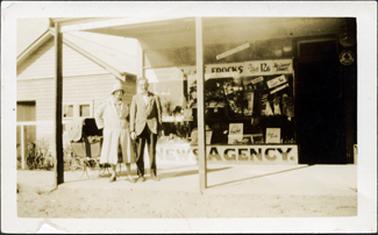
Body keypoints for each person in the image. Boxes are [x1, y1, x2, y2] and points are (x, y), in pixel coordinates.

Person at [95, 81, 135, 182]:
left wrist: (130, 128)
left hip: (123, 130)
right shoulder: (106, 103)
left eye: (121, 92)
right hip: (111, 131)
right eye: (117, 92)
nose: (119, 94)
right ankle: (113, 174)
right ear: (113, 93)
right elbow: (97, 114)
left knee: (127, 151)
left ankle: (129, 174)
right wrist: (103, 126)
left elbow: (128, 117)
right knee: (113, 152)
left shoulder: (125, 104)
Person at [130, 77, 162, 182]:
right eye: (141, 85)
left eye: (145, 84)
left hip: (152, 127)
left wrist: (160, 128)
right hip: (139, 128)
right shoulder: (135, 98)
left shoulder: (155, 97)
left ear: (148, 85)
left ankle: (153, 173)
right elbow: (132, 115)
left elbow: (159, 113)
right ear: (139, 86)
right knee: (139, 153)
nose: (143, 86)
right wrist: (132, 130)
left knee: (152, 151)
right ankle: (140, 174)